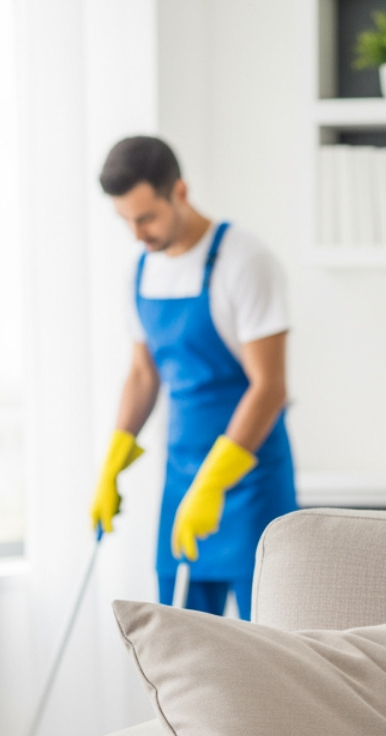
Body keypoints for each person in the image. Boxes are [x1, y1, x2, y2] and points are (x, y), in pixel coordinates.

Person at [90, 136, 297, 617]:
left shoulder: (244, 261)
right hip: (182, 479)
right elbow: (144, 374)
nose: (138, 234)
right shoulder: (142, 270)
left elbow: (269, 387)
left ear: (179, 191)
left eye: (146, 217)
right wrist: (114, 460)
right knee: (181, 643)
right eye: (126, 221)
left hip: (249, 484)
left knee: (267, 645)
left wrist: (215, 483)